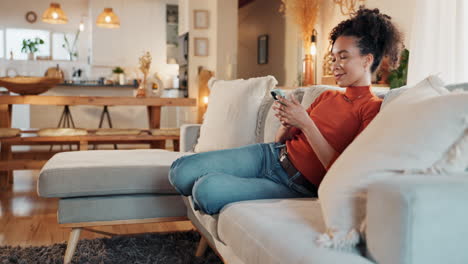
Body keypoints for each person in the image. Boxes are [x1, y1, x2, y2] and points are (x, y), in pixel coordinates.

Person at [169, 7, 403, 215]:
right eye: (333, 58)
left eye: (343, 57)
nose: (335, 65)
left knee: (206, 191)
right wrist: (288, 122)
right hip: (269, 155)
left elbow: (342, 171)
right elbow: (281, 140)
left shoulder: (372, 109)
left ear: (366, 60)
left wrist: (306, 123)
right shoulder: (327, 95)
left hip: (295, 184)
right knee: (180, 170)